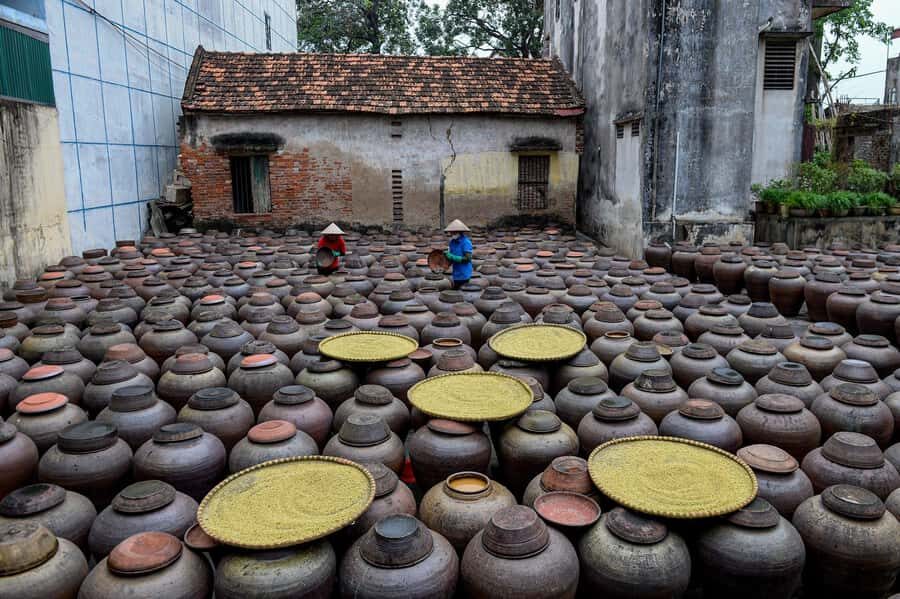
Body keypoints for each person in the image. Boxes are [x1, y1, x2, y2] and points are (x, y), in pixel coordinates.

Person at [444, 219, 473, 289]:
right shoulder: (452, 242)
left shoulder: (466, 242)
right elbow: (450, 257)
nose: (451, 234)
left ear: (459, 232)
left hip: (464, 273)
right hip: (456, 273)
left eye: (453, 232)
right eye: (450, 232)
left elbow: (467, 259)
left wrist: (452, 257)